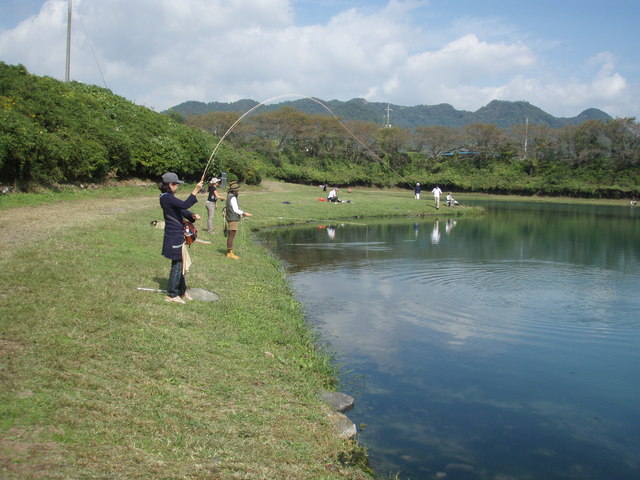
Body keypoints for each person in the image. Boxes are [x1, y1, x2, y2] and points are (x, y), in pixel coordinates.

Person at [159, 172, 203, 304]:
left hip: (177, 235)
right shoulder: (166, 197)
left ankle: (181, 291)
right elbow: (184, 205)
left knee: (181, 264)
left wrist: (191, 215)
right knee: (177, 265)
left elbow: (181, 210)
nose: (177, 187)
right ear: (170, 185)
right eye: (176, 185)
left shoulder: (169, 197)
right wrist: (195, 191)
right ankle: (171, 295)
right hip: (173, 235)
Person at [224, 181, 252, 260]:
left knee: (231, 235)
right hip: (232, 219)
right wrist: (244, 213)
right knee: (231, 236)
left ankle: (230, 252)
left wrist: (242, 215)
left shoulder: (229, 195)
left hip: (231, 218)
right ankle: (230, 253)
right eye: (237, 190)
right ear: (234, 190)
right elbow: (235, 209)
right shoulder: (232, 197)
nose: (238, 191)